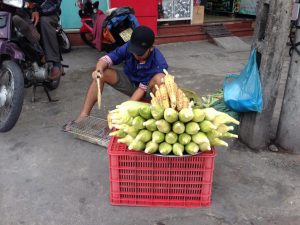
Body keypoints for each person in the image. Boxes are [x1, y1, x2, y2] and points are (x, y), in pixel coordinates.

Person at [65, 26, 168, 129]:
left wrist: (122, 113)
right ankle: (84, 115)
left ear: (151, 48)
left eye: (140, 53)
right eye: (134, 51)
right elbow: (106, 59)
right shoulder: (128, 47)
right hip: (132, 82)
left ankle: (155, 114)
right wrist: (98, 70)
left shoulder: (158, 63)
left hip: (148, 91)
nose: (136, 55)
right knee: (103, 74)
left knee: (161, 79)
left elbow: (141, 90)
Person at [12, 0, 63, 80]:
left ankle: (55, 62)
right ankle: (31, 32)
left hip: (48, 12)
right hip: (25, 12)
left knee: (44, 21)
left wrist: (37, 10)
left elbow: (53, 3)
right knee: (10, 17)